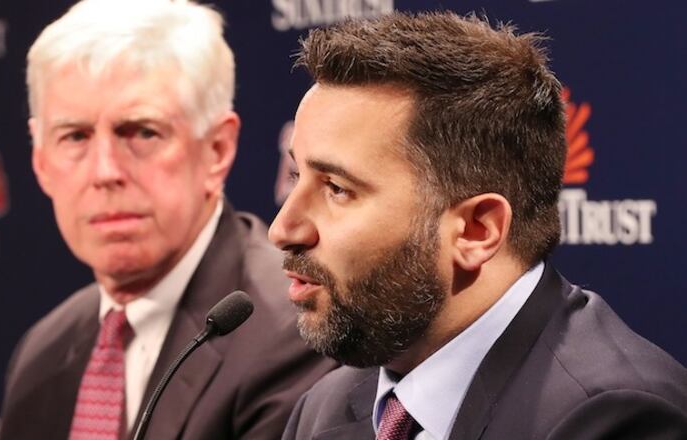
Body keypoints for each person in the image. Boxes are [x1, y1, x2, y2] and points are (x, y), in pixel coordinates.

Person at [270, 11, 687, 440]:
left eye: (337, 188)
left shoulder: (614, 419)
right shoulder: (323, 409)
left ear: (476, 230)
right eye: (297, 176)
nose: (282, 230)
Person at [0, 1, 336, 439]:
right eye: (75, 136)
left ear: (217, 150)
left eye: (142, 132)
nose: (105, 172)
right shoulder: (43, 350)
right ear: (41, 162)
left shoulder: (295, 329)